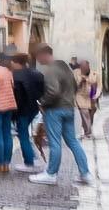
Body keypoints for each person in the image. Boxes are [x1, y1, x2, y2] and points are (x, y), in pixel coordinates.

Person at [29, 45, 91, 186]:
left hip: (55, 110)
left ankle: (51, 173)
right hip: (69, 108)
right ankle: (85, 173)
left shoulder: (50, 70)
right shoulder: (64, 66)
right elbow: (75, 86)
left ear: (44, 54)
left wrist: (41, 102)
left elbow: (53, 91)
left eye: (38, 56)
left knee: (54, 142)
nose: (38, 60)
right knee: (73, 141)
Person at [7, 52, 42, 172]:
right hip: (33, 108)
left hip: (22, 110)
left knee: (23, 135)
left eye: (12, 62)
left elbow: (17, 97)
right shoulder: (37, 74)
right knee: (25, 134)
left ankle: (29, 162)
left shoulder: (15, 76)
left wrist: (14, 113)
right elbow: (41, 91)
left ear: (16, 63)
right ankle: (32, 157)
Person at [74, 59, 99, 138]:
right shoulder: (76, 73)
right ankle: (88, 132)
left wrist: (96, 95)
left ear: (88, 66)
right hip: (80, 95)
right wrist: (81, 81)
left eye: (85, 67)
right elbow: (74, 86)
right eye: (82, 67)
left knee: (91, 112)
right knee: (84, 112)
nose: (83, 69)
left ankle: (87, 127)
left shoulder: (95, 73)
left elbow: (99, 86)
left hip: (91, 95)